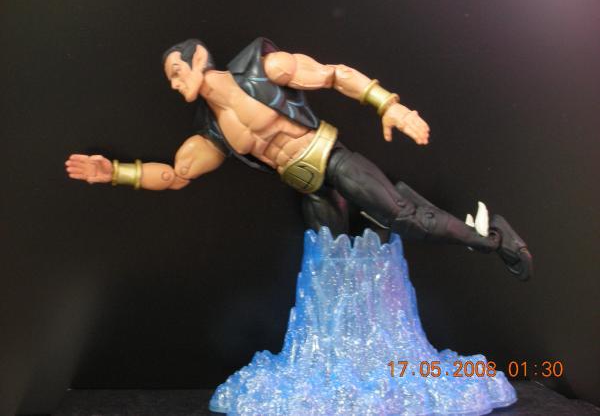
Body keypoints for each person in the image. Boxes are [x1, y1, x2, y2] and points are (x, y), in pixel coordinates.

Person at [65, 37, 532, 280]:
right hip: (310, 188)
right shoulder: (211, 132)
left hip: (334, 160)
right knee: (331, 269)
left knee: (406, 218)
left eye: (175, 71)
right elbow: (174, 174)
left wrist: (391, 106)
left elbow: (333, 75)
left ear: (197, 58)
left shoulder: (261, 68)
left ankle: (496, 240)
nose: (173, 82)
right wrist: (116, 173)